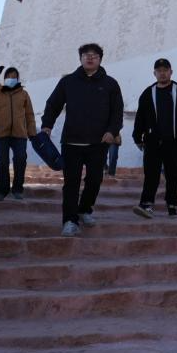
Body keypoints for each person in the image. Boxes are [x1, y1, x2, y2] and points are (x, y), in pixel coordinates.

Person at [40, 43, 123, 236]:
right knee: (71, 183)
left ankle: (84, 209)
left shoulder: (110, 84)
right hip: (72, 142)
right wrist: (47, 124)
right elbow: (53, 104)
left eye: (94, 55)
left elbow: (117, 111)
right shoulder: (68, 81)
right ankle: (69, 220)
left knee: (95, 180)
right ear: (80, 58)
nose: (90, 58)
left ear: (100, 59)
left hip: (99, 142)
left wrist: (112, 131)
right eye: (86, 55)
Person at [132, 58, 177, 218]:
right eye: (159, 70)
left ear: (171, 72)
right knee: (151, 174)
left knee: (173, 174)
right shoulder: (148, 93)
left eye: (165, 70)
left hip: (173, 140)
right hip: (152, 141)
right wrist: (137, 137)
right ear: (154, 73)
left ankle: (172, 204)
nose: (162, 73)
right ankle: (146, 204)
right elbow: (140, 117)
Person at [0, 66, 36, 202]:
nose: (12, 79)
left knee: (20, 159)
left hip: (20, 133)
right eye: (9, 76)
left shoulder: (24, 94)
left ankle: (18, 189)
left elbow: (29, 114)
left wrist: (32, 132)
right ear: (4, 78)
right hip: (1, 132)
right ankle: (1, 190)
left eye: (14, 77)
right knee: (2, 162)